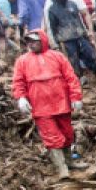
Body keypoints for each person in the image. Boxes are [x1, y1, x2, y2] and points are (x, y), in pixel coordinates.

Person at [11, 30, 83, 179]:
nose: (31, 44)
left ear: (42, 41)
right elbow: (18, 82)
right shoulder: (22, 61)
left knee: (67, 133)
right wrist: (21, 98)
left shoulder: (57, 57)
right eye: (28, 42)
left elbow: (71, 78)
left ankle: (69, 161)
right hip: (40, 106)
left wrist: (76, 97)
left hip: (61, 103)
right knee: (52, 137)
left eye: (34, 41)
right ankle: (62, 168)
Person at [43, 0, 96, 82]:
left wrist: (89, 34)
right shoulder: (51, 9)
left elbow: (80, 20)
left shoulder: (72, 3)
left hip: (80, 37)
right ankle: (77, 89)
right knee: (73, 66)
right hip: (66, 41)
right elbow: (50, 28)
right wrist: (54, 45)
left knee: (94, 59)